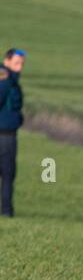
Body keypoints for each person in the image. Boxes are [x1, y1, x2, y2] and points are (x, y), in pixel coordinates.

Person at [0, 48, 25, 218]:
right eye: (16, 63)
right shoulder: (5, 80)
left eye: (22, 64)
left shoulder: (10, 80)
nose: (20, 67)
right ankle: (7, 212)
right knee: (8, 173)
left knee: (7, 173)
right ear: (7, 61)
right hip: (4, 134)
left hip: (8, 132)